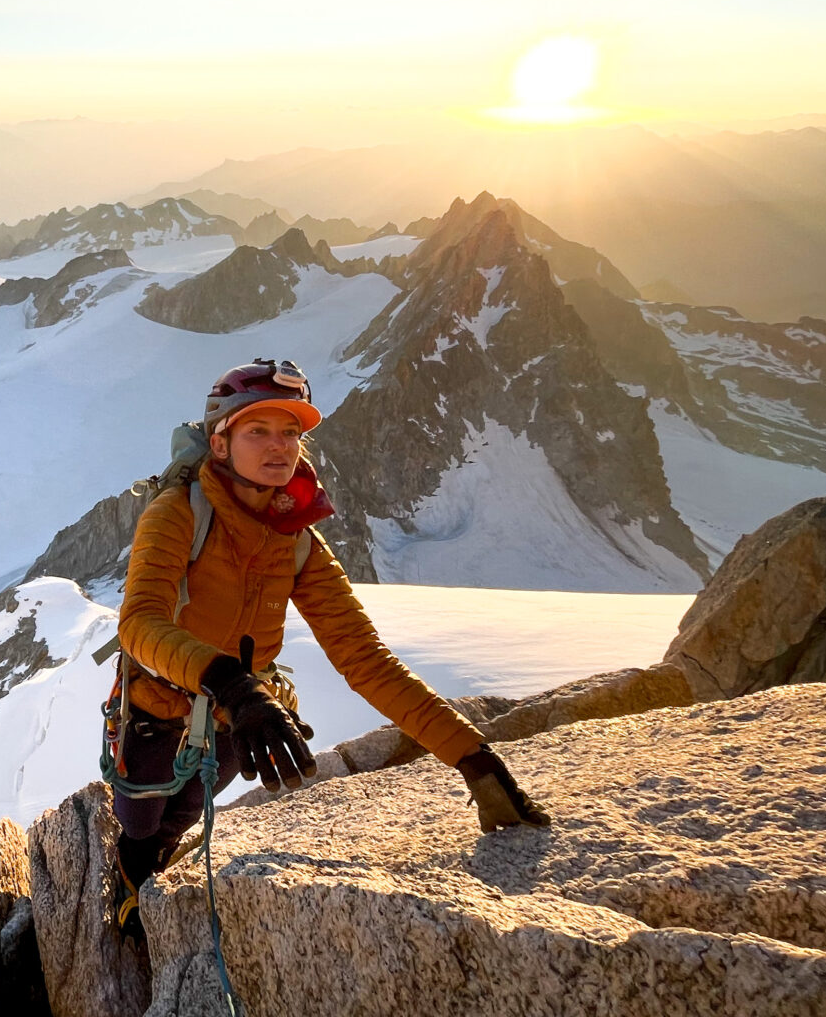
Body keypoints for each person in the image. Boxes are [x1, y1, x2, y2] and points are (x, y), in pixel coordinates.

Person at [110, 358, 549, 935]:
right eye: (258, 430)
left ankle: (151, 878)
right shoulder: (177, 513)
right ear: (220, 444)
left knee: (185, 812)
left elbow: (363, 658)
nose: (279, 446)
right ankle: (130, 882)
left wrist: (472, 757)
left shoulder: (297, 542)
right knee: (141, 820)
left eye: (291, 432)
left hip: (239, 715)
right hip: (171, 706)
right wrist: (236, 687)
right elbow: (139, 624)